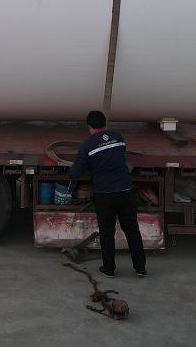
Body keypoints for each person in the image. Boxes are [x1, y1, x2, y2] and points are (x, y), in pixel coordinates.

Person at [68, 110, 146, 277]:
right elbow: (117, 155)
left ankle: (109, 269)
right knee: (132, 230)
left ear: (89, 126)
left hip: (105, 194)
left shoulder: (87, 145)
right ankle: (140, 268)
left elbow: (76, 173)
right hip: (126, 190)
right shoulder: (118, 137)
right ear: (105, 123)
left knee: (107, 232)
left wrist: (71, 171)